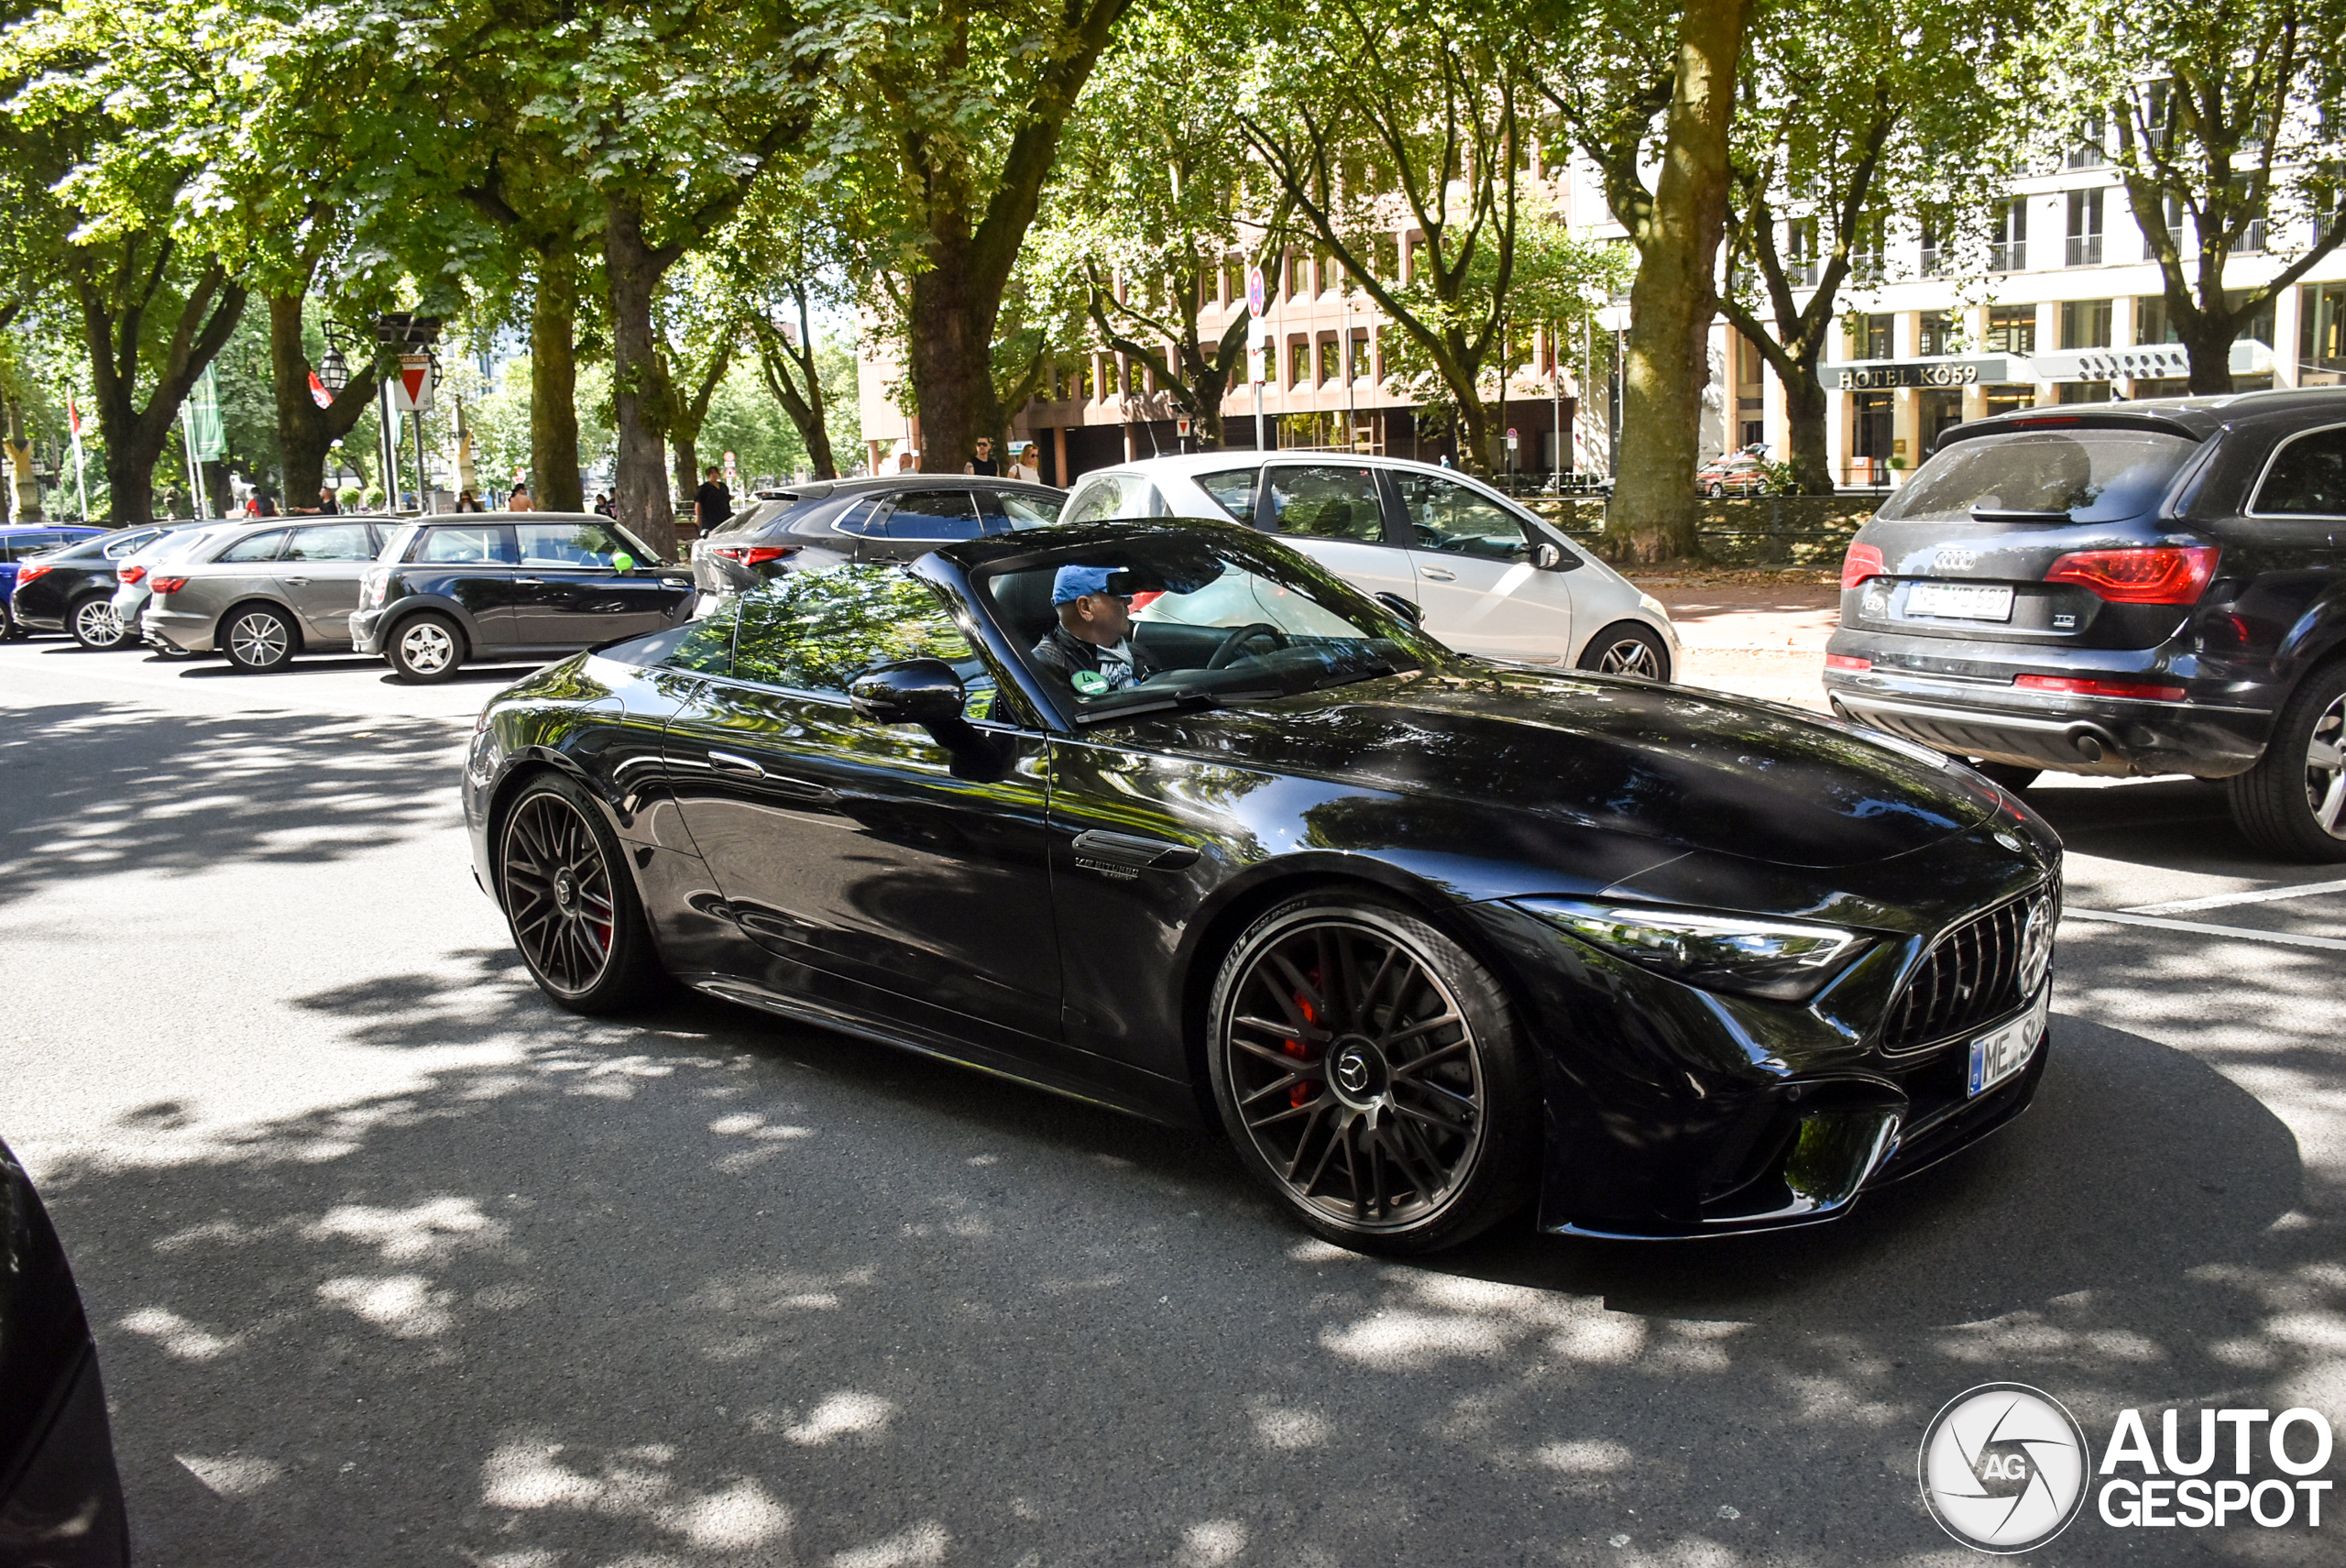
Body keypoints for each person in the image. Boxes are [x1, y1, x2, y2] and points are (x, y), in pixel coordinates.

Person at [1028, 565, 1158, 696]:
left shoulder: (1135, 654)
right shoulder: (1046, 668)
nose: (1129, 601)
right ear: (1086, 607)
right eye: (1119, 596)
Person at [694, 466, 732, 534]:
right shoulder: (704, 488)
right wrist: (698, 517)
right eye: (712, 473)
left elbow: (727, 501)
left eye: (716, 473)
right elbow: (698, 502)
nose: (714, 475)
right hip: (709, 517)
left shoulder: (723, 486)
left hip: (724, 516)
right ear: (708, 475)